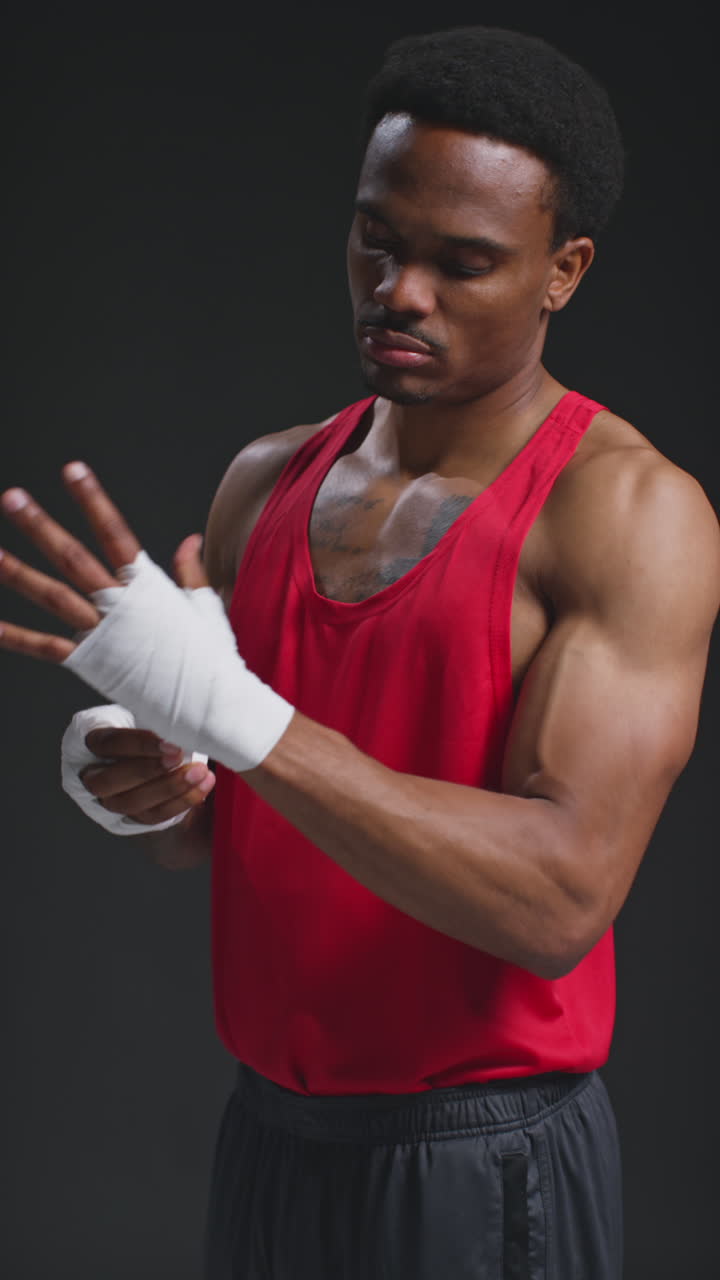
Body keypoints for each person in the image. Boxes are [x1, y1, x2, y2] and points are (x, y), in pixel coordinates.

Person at [1, 23, 718, 1280]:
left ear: (564, 271)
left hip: (484, 1161)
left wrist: (237, 712)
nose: (400, 290)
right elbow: (215, 821)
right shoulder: (265, 482)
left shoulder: (626, 514)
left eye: (465, 263)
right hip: (269, 1135)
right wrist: (146, 767)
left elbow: (558, 898)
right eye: (378, 237)